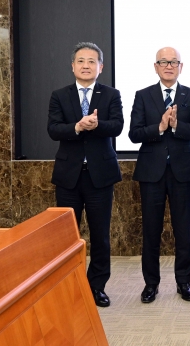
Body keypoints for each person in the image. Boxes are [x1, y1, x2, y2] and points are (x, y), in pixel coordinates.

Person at [47, 42, 123, 308]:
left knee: (100, 234)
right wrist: (78, 126)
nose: (86, 65)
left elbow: (117, 126)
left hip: (100, 176)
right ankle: (68, 284)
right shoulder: (60, 95)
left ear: (100, 67)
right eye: (81, 61)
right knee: (67, 236)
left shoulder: (111, 94)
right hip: (69, 176)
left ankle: (96, 286)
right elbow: (54, 129)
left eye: (92, 61)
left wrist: (97, 124)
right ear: (72, 66)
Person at [129, 47, 190, 303]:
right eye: (164, 62)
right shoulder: (143, 96)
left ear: (181, 67)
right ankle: (151, 284)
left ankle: (184, 282)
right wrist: (160, 127)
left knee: (183, 229)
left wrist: (176, 125)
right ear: (156, 66)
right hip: (152, 173)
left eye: (174, 62)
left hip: (183, 172)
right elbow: (134, 134)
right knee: (151, 230)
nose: (169, 66)